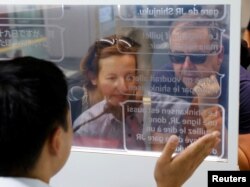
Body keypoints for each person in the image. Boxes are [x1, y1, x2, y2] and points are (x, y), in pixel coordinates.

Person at [0, 56, 221, 187]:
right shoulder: (89, 123)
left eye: (131, 76)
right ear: (57, 141)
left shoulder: (172, 108)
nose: (123, 87)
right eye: (112, 77)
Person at [150, 14, 225, 156]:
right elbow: (159, 153)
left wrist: (216, 128)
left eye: (197, 57)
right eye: (177, 57)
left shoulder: (241, 88)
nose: (186, 66)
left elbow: (243, 165)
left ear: (219, 55)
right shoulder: (163, 80)